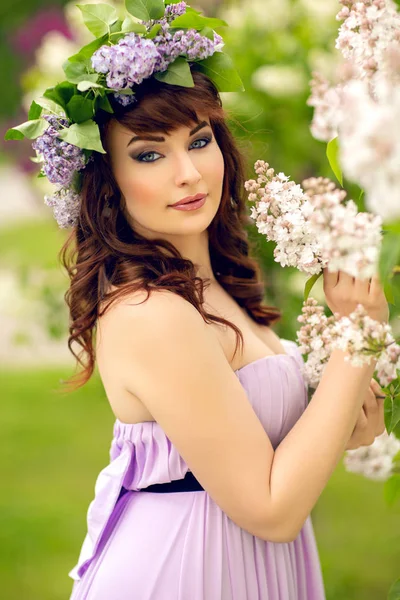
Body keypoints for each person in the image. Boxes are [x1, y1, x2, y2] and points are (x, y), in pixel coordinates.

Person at [5, 4, 388, 598]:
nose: (189, 173)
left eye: (200, 140)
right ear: (108, 182)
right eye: (150, 153)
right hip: (184, 572)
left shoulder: (218, 289)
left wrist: (349, 403)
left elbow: (294, 449)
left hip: (244, 564)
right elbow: (269, 507)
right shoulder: (149, 312)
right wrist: (356, 336)